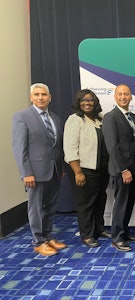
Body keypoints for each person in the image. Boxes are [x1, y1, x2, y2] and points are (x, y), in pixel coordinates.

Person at [12, 83, 67, 256]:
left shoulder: (55, 118)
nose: (40, 98)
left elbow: (57, 147)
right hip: (34, 173)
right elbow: (19, 148)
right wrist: (26, 172)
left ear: (50, 97)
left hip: (55, 170)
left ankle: (48, 236)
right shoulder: (22, 116)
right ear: (31, 97)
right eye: (36, 94)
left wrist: (62, 167)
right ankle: (38, 241)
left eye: (44, 94)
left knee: (50, 206)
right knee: (36, 208)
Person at [63, 89, 111, 248]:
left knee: (99, 199)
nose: (87, 103)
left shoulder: (100, 119)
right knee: (85, 203)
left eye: (90, 100)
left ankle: (99, 229)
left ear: (95, 102)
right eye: (83, 100)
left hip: (101, 168)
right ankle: (87, 234)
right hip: (83, 169)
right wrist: (77, 172)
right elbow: (70, 148)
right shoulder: (75, 120)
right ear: (78, 102)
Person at [102, 84, 135, 252]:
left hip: (133, 168)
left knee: (129, 202)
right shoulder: (110, 117)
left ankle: (125, 232)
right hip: (122, 170)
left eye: (126, 94)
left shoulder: (133, 116)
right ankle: (117, 238)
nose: (123, 97)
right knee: (120, 204)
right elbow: (112, 146)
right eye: (120, 94)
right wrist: (124, 169)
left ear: (131, 97)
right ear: (115, 97)